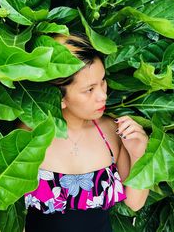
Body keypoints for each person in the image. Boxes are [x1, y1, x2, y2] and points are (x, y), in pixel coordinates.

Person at [24, 34, 149, 232]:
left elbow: (135, 203)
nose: (103, 95)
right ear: (59, 97)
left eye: (103, 81)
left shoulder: (110, 131)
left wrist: (138, 152)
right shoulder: (28, 136)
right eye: (89, 89)